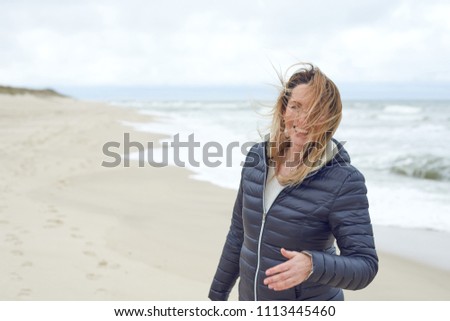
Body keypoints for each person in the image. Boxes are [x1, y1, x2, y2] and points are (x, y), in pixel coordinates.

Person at [209, 63, 378, 301]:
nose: (304, 119)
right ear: (283, 109)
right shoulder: (257, 160)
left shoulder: (344, 180)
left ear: (329, 119)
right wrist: (217, 296)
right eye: (296, 107)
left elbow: (365, 266)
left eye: (315, 111)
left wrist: (313, 265)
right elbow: (239, 235)